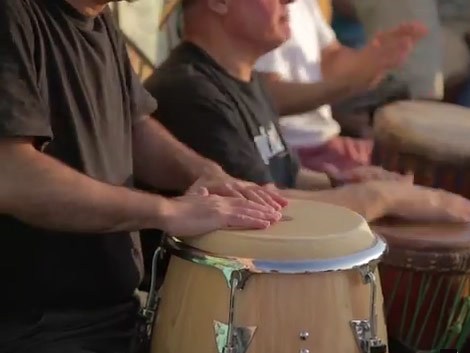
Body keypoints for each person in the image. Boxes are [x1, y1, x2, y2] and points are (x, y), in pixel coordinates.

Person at [0, 1, 296, 352]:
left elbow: (134, 127)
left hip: (113, 313)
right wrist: (167, 211)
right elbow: (13, 175)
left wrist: (207, 173)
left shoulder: (98, 17)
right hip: (37, 328)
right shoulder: (13, 14)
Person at [145, 0, 470, 224]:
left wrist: (338, 182)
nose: (290, 1)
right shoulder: (191, 94)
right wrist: (380, 197)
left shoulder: (244, 81)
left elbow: (284, 174)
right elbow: (265, 207)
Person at [254, 0, 385, 172]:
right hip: (293, 151)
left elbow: (330, 57)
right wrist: (347, 85)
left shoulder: (304, 3)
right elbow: (265, 96)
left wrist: (372, 61)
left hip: (325, 140)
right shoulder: (252, 13)